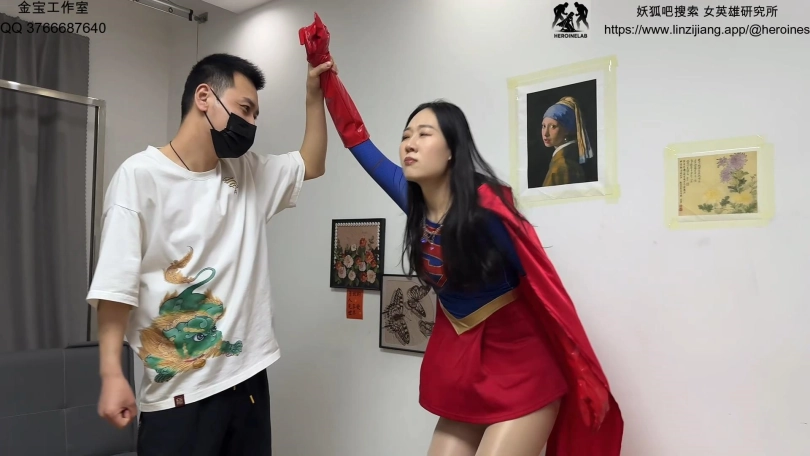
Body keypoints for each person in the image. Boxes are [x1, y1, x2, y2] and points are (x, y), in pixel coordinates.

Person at [328, 101, 623, 454]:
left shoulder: (486, 211)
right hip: (467, 371)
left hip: (522, 371)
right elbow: (357, 140)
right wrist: (323, 79)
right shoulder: (415, 203)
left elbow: (541, 286)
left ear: (452, 149)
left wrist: (581, 368)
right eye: (406, 135)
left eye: (424, 134)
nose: (410, 144)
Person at [88, 53, 334, 455]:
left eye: (255, 115)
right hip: (178, 398)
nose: (251, 124)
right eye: (245, 109)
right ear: (204, 97)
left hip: (247, 380)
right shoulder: (139, 177)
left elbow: (313, 163)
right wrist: (111, 374)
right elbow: (116, 287)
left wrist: (313, 96)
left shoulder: (247, 172)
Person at [540, 96, 593, 187]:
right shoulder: (563, 160)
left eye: (553, 126)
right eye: (544, 126)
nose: (545, 133)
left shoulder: (563, 165)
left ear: (567, 129)